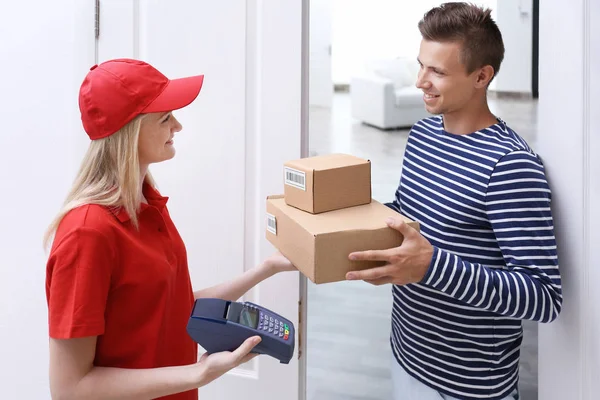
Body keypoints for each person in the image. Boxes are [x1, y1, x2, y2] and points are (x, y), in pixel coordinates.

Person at [44, 58, 296, 400]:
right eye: (165, 118)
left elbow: (168, 308)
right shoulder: (87, 235)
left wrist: (266, 268)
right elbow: (69, 389)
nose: (177, 126)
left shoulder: (146, 206)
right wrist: (198, 373)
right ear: (129, 132)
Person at [346, 3, 562, 400]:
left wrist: (432, 266)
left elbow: (543, 297)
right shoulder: (423, 134)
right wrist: (343, 227)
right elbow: (410, 214)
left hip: (468, 385)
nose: (420, 81)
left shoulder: (510, 165)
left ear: (482, 76)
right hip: (405, 352)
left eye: (438, 72)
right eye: (421, 65)